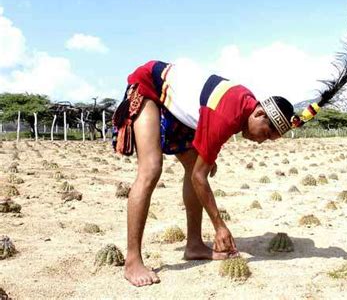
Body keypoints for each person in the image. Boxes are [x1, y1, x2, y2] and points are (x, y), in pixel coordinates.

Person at [112, 60, 295, 287]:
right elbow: (200, 177)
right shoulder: (228, 115)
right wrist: (220, 226)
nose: (261, 141)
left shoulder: (244, 104)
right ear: (259, 113)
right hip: (149, 86)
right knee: (151, 168)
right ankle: (132, 261)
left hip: (179, 109)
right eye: (266, 134)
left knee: (195, 167)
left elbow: (202, 155)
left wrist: (207, 160)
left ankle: (194, 245)